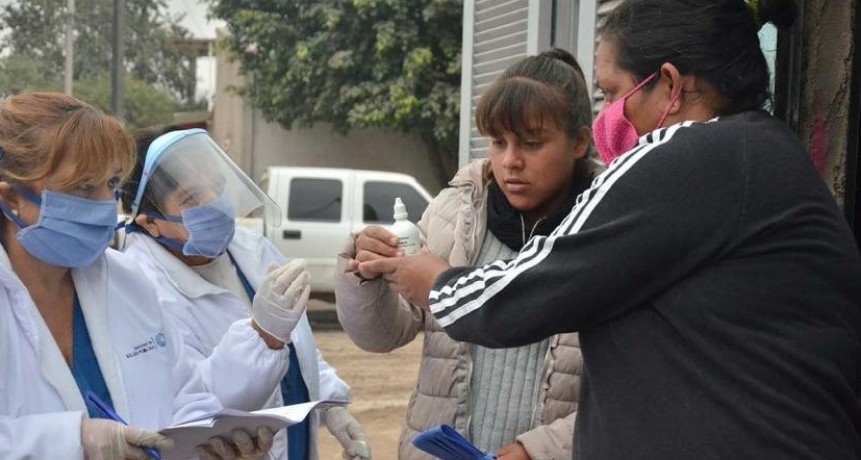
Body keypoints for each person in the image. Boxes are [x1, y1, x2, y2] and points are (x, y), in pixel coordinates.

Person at [360, 0, 861, 458]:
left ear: (670, 84)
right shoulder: (755, 152)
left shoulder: (690, 156)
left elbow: (528, 290)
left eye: (613, 93)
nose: (606, 116)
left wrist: (438, 283)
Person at [336, 48, 596, 459]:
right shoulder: (455, 213)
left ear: (579, 142)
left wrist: (540, 451)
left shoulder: (607, 230)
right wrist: (366, 280)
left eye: (532, 143)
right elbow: (383, 335)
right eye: (498, 142)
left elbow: (634, 390)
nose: (510, 161)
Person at [0, 92, 275, 459]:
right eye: (82, 187)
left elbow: (185, 397)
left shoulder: (128, 282)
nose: (104, 204)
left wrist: (212, 442)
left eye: (112, 184)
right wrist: (70, 440)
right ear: (11, 199)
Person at [119, 127, 370, 460]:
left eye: (217, 184)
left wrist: (330, 404)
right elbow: (191, 409)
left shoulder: (251, 249)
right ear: (149, 223)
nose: (214, 201)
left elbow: (299, 346)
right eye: (191, 197)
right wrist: (262, 337)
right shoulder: (138, 290)